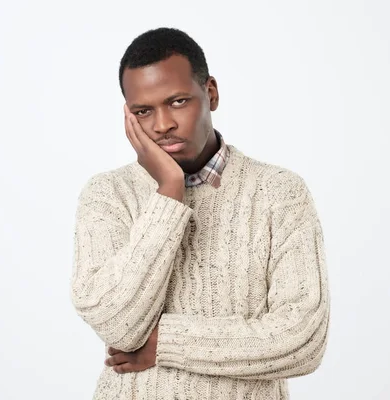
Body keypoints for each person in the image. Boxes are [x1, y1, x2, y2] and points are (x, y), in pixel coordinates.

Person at [71, 27, 330, 400]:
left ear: (210, 93)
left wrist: (163, 344)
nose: (162, 125)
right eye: (143, 111)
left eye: (177, 102)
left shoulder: (279, 193)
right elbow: (119, 325)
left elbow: (302, 340)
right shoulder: (107, 195)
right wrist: (169, 192)